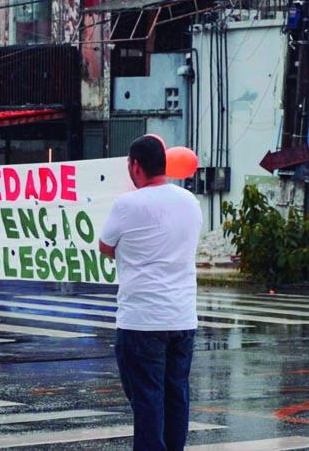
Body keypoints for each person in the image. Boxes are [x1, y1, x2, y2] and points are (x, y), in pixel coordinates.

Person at [99, 135, 203, 451]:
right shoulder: (190, 201)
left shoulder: (127, 204)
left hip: (142, 321)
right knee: (176, 396)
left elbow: (105, 246)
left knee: (147, 400)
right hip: (182, 317)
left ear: (135, 166)